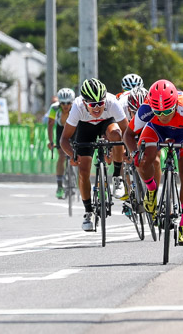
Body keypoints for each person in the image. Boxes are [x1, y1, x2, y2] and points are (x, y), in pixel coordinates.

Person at [123, 79, 183, 246]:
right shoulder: (146, 109)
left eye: (167, 111)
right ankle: (152, 190)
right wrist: (134, 154)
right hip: (156, 130)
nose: (163, 116)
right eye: (158, 112)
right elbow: (128, 134)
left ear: (175, 104)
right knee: (143, 159)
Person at [59, 78, 128, 232]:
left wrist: (128, 150)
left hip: (106, 123)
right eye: (92, 105)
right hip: (86, 128)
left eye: (100, 104)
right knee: (83, 171)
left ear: (105, 100)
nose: (97, 108)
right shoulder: (77, 107)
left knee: (116, 135)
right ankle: (88, 211)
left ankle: (117, 177)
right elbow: (64, 139)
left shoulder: (112, 102)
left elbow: (127, 132)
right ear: (85, 103)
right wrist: (72, 155)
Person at [113, 73, 144, 197]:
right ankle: (123, 184)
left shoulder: (146, 98)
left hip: (141, 126)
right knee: (120, 148)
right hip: (124, 125)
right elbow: (120, 130)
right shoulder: (120, 102)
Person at [47, 88, 75, 199]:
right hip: (61, 130)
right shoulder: (54, 108)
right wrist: (51, 141)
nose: (65, 105)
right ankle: (59, 186)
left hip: (74, 129)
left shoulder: (76, 108)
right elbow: (50, 124)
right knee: (62, 156)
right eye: (63, 103)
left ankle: (75, 180)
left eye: (68, 103)